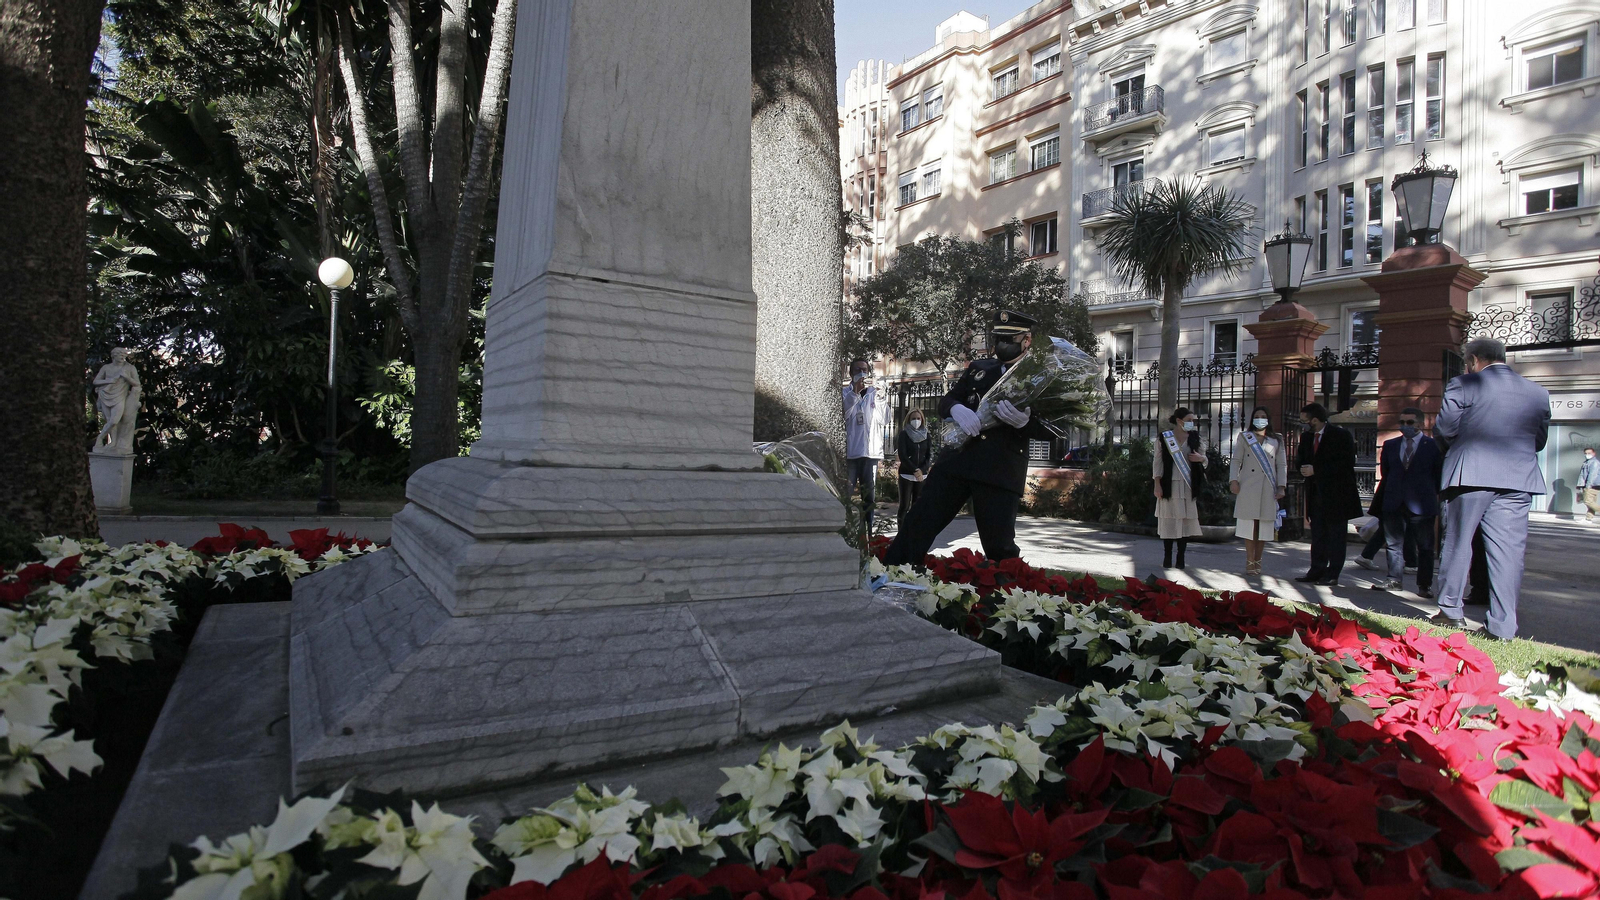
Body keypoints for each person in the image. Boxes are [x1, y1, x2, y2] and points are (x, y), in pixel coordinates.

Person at [884, 310, 1057, 565]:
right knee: (917, 524)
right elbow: (947, 400)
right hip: (957, 461)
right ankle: (890, 576)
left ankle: (1008, 599)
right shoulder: (979, 368)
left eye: (1008, 340)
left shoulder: (1040, 376)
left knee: (999, 547)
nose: (1001, 345)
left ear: (1026, 340)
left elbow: (1053, 429)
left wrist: (1025, 423)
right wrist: (956, 408)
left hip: (999, 469)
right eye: (998, 338)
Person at [1432, 338, 1551, 640]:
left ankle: (1450, 610)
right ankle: (1502, 626)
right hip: (1517, 479)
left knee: (1458, 542)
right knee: (1508, 552)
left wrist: (1459, 450)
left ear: (1472, 360)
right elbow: (1538, 441)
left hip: (1471, 473)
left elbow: (1445, 429)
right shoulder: (1537, 392)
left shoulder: (1463, 384)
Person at [1367, 407, 1443, 598]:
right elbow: (1386, 473)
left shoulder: (1433, 446)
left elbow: (1438, 475)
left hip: (1422, 504)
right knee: (1393, 544)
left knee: (1425, 547)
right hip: (1394, 501)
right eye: (1401, 423)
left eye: (1409, 423)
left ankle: (1424, 585)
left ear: (1420, 424)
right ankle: (1394, 579)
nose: (1404, 427)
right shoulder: (1390, 445)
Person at [1294, 402, 1361, 586]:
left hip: (1337, 495)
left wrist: (1317, 470)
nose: (1303, 424)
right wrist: (1301, 468)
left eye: (1305, 421)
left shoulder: (1340, 435)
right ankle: (1316, 570)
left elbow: (1345, 464)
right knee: (1318, 536)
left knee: (1336, 537)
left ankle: (1332, 574)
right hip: (1315, 494)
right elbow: (1300, 459)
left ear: (1315, 419)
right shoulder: (1307, 438)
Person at [1229, 405, 1288, 576]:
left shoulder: (1277, 439)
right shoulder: (1245, 437)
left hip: (1268, 487)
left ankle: (1258, 561)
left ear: (1268, 419)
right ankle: (1249, 561)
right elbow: (1235, 460)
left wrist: (1281, 486)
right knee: (1249, 525)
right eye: (1257, 416)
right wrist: (1234, 480)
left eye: (1263, 416)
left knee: (1263, 526)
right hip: (1248, 486)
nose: (1260, 419)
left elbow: (1281, 464)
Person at [842, 358, 891, 536]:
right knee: (846, 495)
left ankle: (867, 534)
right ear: (851, 373)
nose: (861, 373)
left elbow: (884, 419)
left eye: (864, 370)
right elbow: (845, 415)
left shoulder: (873, 393)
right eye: (857, 370)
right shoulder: (845, 393)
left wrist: (880, 397)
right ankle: (845, 530)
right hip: (851, 454)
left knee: (868, 498)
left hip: (870, 454)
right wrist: (855, 392)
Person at [1153, 408, 1206, 570]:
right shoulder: (1164, 438)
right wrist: (1157, 484)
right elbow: (1158, 462)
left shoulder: (1196, 438)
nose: (1192, 423)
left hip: (1188, 485)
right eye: (1189, 420)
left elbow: (1204, 459)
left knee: (1184, 520)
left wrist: (1200, 458)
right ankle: (1167, 555)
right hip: (1169, 484)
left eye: (1193, 420)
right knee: (1169, 519)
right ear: (1178, 420)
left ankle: (1181, 556)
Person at [896, 408, 933, 529]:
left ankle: (914, 532)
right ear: (908, 420)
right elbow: (903, 455)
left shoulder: (926, 435)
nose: (916, 421)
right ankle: (901, 532)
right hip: (906, 475)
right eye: (913, 419)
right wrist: (915, 470)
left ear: (922, 420)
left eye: (918, 418)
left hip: (922, 476)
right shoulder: (904, 434)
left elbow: (929, 455)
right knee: (904, 506)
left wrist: (922, 470)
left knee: (917, 506)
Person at [1578, 447, 1599, 523]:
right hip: (1589, 485)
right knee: (1591, 502)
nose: (1587, 455)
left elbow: (1592, 475)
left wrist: (1587, 486)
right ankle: (1588, 518)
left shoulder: (1594, 462)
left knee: (1588, 501)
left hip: (1591, 485)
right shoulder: (1587, 462)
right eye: (1586, 453)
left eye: (1589, 453)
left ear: (1594, 453)